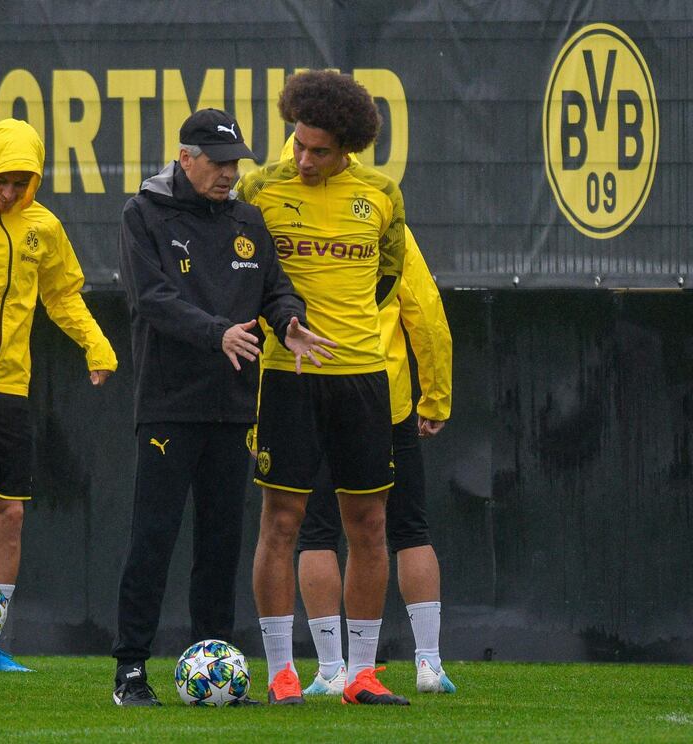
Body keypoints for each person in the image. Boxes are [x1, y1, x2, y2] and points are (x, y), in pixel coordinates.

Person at [111, 108, 335, 707]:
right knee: (153, 539)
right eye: (218, 162)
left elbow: (275, 288)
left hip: (235, 407)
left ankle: (212, 663)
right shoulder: (144, 214)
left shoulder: (247, 219)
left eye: (236, 163)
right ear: (185, 158)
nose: (229, 174)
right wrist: (217, 333)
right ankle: (130, 668)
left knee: (219, 544)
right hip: (169, 404)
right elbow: (152, 299)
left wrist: (288, 323)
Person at [237, 70, 409, 705]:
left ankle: (361, 675)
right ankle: (283, 673)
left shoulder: (383, 196)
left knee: (368, 523)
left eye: (319, 151)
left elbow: (387, 277)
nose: (304, 159)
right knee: (281, 521)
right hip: (287, 378)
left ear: (349, 150)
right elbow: (242, 272)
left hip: (363, 377)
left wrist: (348, 328)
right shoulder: (259, 190)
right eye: (298, 145)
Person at [0, 118, 117, 673]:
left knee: (9, 515)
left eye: (20, 182)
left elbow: (63, 294)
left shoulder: (43, 227)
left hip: (10, 388)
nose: (7, 192)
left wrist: (97, 346)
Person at [297, 225, 456, 696]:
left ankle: (330, 670)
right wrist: (437, 396)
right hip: (386, 397)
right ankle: (428, 662)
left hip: (312, 392)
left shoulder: (280, 214)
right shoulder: (384, 219)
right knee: (409, 530)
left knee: (316, 532)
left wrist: (259, 412)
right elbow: (426, 315)